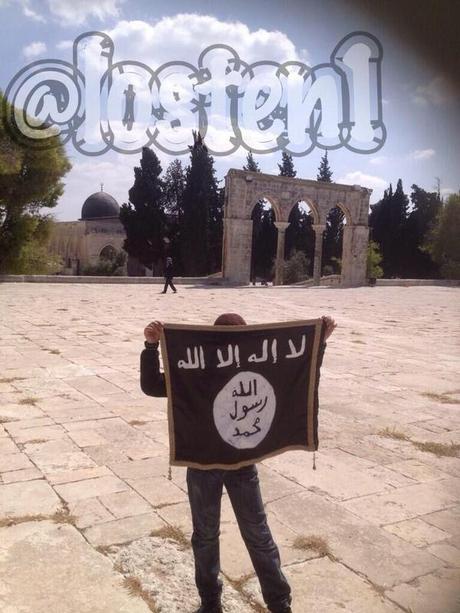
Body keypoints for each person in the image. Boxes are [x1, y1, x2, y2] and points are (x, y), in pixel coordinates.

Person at [140, 313, 336, 613]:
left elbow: (294, 373)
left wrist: (317, 343)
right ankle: (211, 603)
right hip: (204, 465)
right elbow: (153, 386)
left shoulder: (254, 367)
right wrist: (151, 347)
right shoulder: (198, 369)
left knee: (254, 533)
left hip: (240, 465)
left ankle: (278, 603)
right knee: (209, 536)